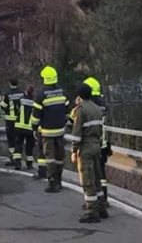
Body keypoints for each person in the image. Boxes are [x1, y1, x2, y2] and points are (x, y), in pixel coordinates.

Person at [72, 82, 108, 223]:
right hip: (97, 146)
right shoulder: (97, 109)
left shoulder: (80, 110)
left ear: (80, 96)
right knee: (97, 178)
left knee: (87, 179)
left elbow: (77, 133)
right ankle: (101, 207)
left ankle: (91, 211)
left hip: (86, 148)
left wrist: (74, 151)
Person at [32, 65, 68, 193]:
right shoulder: (62, 92)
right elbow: (67, 111)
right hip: (60, 130)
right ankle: (59, 180)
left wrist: (34, 128)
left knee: (50, 157)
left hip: (47, 132)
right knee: (59, 156)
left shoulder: (41, 95)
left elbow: (36, 116)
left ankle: (52, 183)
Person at [84, 76, 111, 207]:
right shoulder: (103, 104)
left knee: (91, 174)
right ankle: (104, 199)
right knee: (102, 174)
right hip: (103, 143)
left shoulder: (88, 106)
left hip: (91, 144)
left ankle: (94, 202)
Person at [1, 78, 23, 167]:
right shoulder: (22, 93)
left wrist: (8, 110)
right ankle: (18, 158)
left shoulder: (7, 94)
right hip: (19, 120)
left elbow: (3, 106)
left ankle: (12, 157)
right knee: (18, 140)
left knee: (11, 140)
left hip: (10, 120)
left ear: (9, 83)